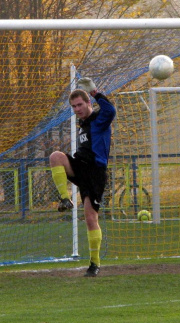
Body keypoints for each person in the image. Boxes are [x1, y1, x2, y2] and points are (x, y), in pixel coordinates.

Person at [49, 78, 116, 277]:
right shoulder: (83, 123)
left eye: (80, 104)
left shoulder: (98, 119)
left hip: (95, 172)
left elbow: (110, 111)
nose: (77, 109)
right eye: (73, 106)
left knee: (90, 218)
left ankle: (94, 263)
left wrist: (95, 92)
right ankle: (64, 199)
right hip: (80, 166)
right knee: (56, 157)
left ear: (88, 103)